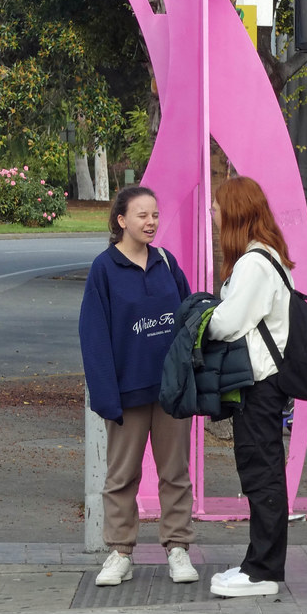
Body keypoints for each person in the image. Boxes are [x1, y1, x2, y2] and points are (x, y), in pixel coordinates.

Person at [78, 185, 198, 587]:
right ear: (121, 221)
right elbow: (93, 336)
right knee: (122, 477)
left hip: (169, 392)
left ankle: (178, 548)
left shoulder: (166, 263)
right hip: (126, 394)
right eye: (142, 215)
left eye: (155, 215)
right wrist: (106, 396)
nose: (151, 222)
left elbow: (187, 322)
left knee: (175, 473)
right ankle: (120, 552)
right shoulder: (104, 269)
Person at [207, 176, 293, 599]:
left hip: (259, 385)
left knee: (261, 476)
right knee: (263, 473)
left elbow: (227, 322)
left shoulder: (253, 264)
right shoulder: (265, 257)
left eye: (218, 207)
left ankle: (262, 570)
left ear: (235, 213)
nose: (213, 214)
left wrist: (202, 318)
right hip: (265, 385)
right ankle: (258, 564)